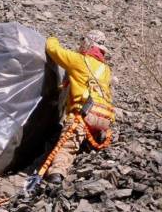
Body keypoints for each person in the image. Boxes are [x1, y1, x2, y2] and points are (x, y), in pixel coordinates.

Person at [44, 30, 115, 184]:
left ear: (87, 43)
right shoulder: (106, 69)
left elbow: (52, 49)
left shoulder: (78, 60)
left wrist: (52, 37)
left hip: (84, 113)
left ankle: (56, 174)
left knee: (67, 147)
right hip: (104, 118)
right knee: (85, 143)